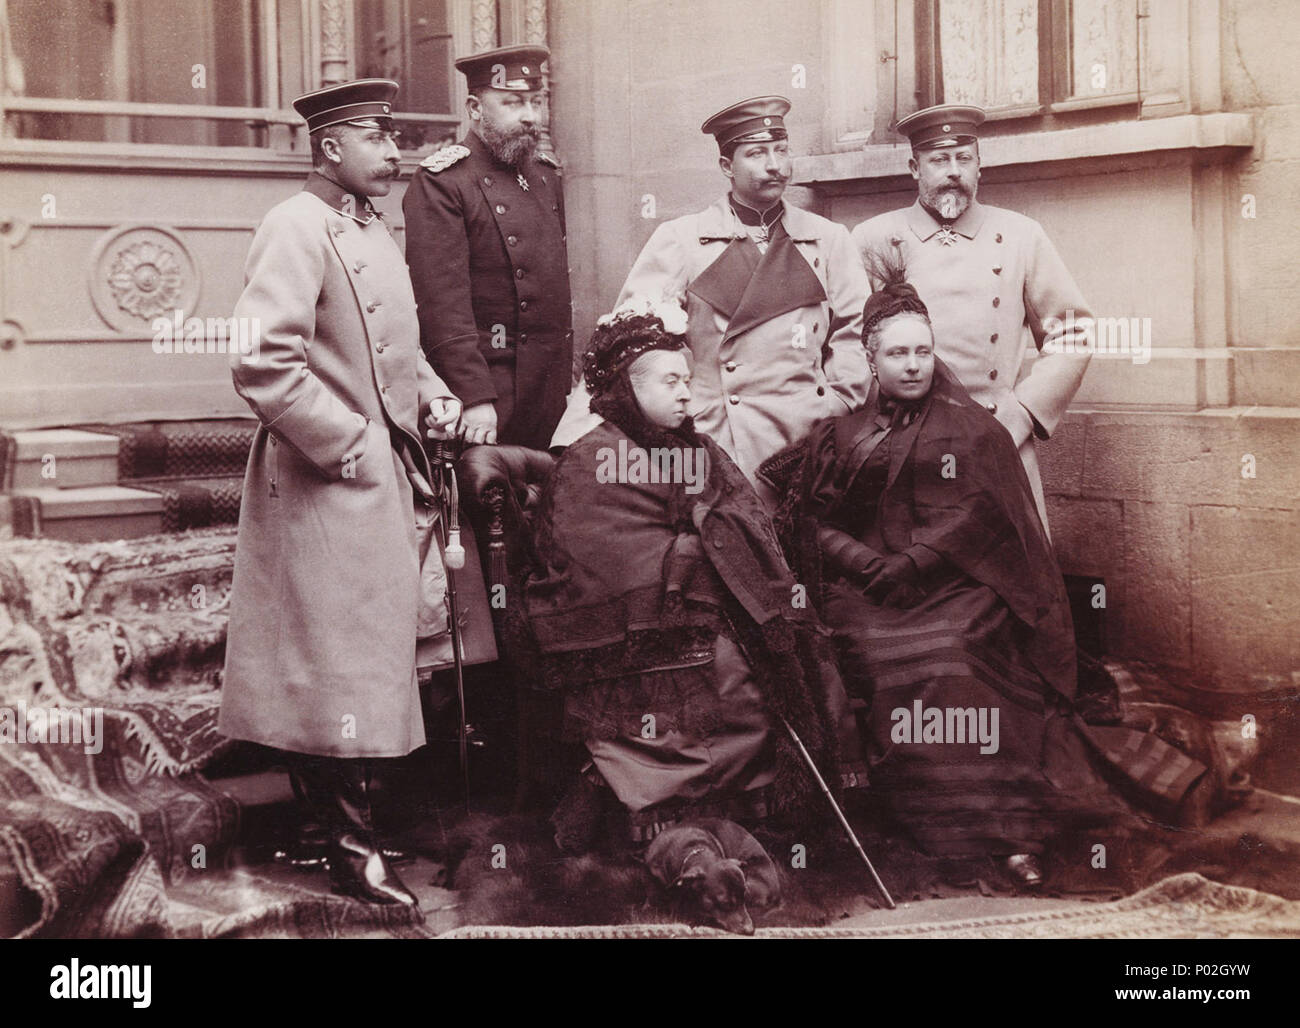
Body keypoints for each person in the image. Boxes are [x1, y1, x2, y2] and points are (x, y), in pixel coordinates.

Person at [759, 273, 1205, 886]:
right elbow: (812, 519)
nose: (912, 366)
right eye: (896, 353)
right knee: (872, 653)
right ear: (870, 357)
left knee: (950, 654)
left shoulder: (971, 429)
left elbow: (982, 519)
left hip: (958, 586)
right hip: (863, 592)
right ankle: (936, 822)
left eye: (922, 351)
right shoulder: (841, 433)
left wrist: (915, 562)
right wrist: (866, 563)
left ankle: (1002, 829)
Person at [219, 79, 467, 908]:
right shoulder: (293, 225)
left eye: (394, 134)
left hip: (382, 474)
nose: (393, 150)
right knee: (335, 664)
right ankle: (348, 849)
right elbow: (260, 362)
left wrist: (434, 392)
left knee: (369, 658)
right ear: (329, 146)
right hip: (325, 476)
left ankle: (350, 831)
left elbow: (399, 348)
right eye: (375, 135)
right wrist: (352, 444)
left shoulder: (371, 228)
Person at [523, 303, 864, 845]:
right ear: (627, 390)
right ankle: (676, 807)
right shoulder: (592, 459)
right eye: (669, 382)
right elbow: (598, 553)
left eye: (687, 379)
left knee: (798, 642)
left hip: (706, 601)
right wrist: (689, 558)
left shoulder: (697, 449)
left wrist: (713, 545)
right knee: (727, 668)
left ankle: (761, 805)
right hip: (647, 622)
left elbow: (739, 517)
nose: (686, 392)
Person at [551, 96, 870, 502]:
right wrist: (576, 440)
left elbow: (856, 334)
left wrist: (838, 403)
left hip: (806, 437)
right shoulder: (681, 240)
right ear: (726, 167)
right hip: (715, 438)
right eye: (757, 153)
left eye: (781, 149)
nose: (775, 164)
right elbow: (627, 341)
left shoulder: (828, 239)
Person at [851, 104, 1092, 527]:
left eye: (964, 159)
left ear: (979, 166)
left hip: (996, 437)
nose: (953, 171)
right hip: (904, 442)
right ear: (914, 167)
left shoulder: (1020, 235)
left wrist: (1024, 411)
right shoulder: (872, 238)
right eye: (939, 160)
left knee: (1007, 573)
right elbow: (851, 340)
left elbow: (1072, 331)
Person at [403, 44, 573, 451]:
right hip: (489, 393)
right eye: (513, 102)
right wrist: (474, 396)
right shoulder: (442, 182)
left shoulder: (546, 176)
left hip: (549, 389)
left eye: (535, 101)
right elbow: (442, 304)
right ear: (475, 108)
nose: (530, 115)